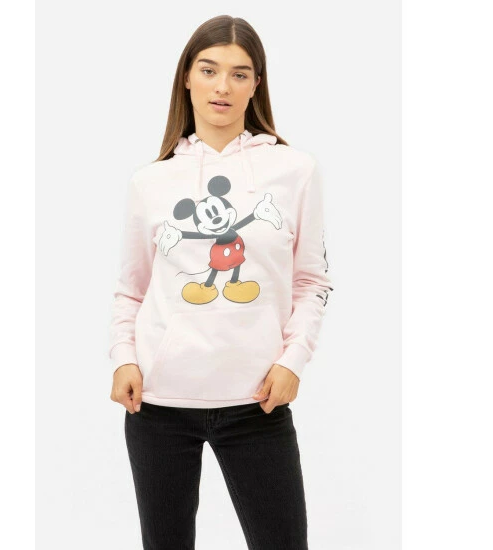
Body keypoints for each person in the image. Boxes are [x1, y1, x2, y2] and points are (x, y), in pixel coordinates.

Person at [108, 15, 334, 550]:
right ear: (187, 77)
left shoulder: (295, 171)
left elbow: (312, 281)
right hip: (159, 405)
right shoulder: (150, 181)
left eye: (239, 73)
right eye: (209, 70)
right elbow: (131, 289)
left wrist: (292, 361)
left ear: (257, 84)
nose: (222, 87)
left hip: (257, 403)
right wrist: (123, 358)